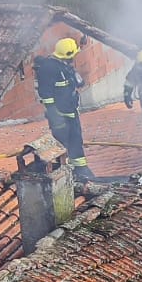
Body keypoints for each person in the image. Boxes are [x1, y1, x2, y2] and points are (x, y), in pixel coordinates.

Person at [32, 36, 94, 183]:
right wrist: (54, 114)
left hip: (71, 111)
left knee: (75, 140)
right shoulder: (48, 69)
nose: (74, 58)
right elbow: (46, 95)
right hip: (59, 115)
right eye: (73, 55)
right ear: (68, 54)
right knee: (61, 144)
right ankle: (63, 173)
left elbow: (77, 82)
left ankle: (81, 170)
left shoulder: (64, 66)